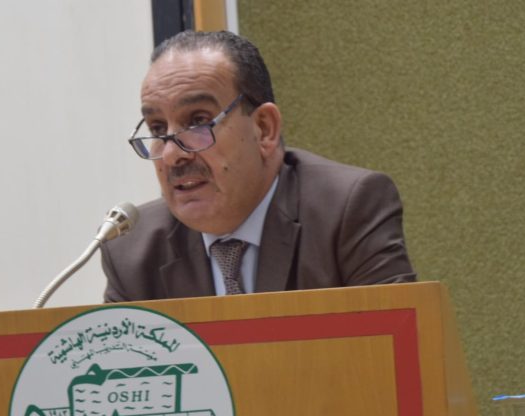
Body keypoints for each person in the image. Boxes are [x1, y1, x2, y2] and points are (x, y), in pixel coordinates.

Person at [101, 30, 415, 302]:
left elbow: (394, 344)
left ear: (264, 129)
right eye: (157, 128)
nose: (171, 155)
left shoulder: (346, 210)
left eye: (198, 121)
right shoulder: (131, 251)